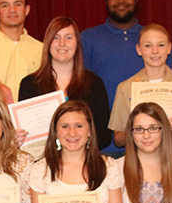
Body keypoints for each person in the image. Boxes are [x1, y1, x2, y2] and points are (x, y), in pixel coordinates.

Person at [81, 0, 172, 155]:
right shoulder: (88, 38)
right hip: (105, 145)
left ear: (136, 0)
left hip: (153, 144)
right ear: (105, 1)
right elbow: (81, 89)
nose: (121, 0)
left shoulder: (154, 39)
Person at [107, 24, 172, 166]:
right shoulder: (125, 88)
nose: (155, 51)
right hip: (138, 166)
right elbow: (118, 139)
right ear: (139, 50)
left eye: (161, 45)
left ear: (169, 48)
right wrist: (139, 131)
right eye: (148, 46)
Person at [19, 17, 113, 154]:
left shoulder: (94, 83)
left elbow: (104, 135)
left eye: (68, 37)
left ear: (77, 43)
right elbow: (26, 133)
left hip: (84, 160)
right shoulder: (29, 84)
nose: (62, 43)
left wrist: (76, 144)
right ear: (48, 43)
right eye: (56, 38)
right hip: (44, 161)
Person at [0, 0, 43, 100]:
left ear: (27, 10)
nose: (12, 10)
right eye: (5, 5)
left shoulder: (41, 49)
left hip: (31, 111)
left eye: (18, 4)